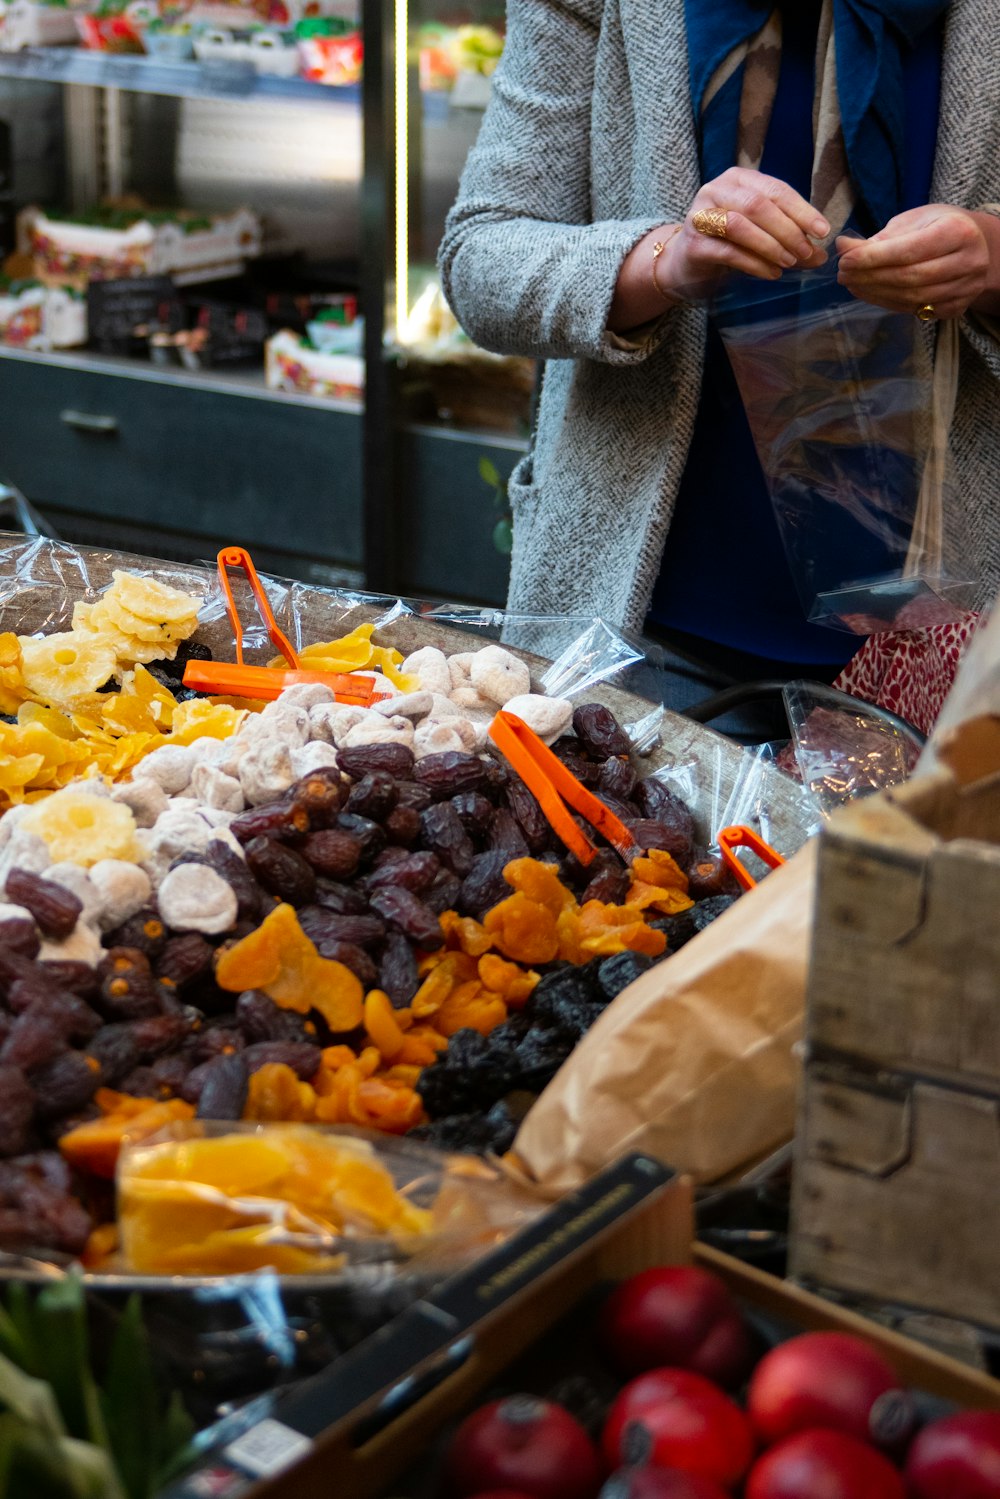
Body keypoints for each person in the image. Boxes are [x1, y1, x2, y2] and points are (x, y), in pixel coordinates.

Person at [438, 0, 1000, 718]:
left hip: (956, 637)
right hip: (643, 630)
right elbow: (481, 257)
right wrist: (665, 260)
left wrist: (989, 257)